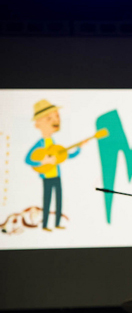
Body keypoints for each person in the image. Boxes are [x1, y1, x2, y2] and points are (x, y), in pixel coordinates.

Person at [25, 99, 84, 231]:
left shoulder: (54, 143)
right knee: (47, 201)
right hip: (47, 177)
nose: (55, 120)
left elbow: (65, 156)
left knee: (58, 200)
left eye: (57, 116)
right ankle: (45, 225)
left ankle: (57, 223)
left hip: (56, 175)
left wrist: (79, 148)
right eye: (49, 118)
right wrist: (43, 161)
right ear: (37, 124)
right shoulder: (40, 144)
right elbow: (28, 160)